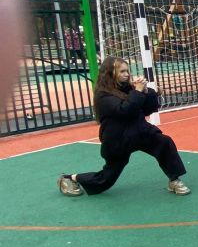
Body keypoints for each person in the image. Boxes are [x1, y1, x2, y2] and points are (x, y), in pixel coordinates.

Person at [58, 56, 190, 196]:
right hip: (118, 140)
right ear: (110, 73)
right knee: (105, 179)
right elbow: (125, 110)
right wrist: (138, 92)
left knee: (164, 142)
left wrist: (148, 92)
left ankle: (174, 180)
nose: (127, 74)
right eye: (122, 71)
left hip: (140, 132)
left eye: (127, 70)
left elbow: (147, 110)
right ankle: (69, 178)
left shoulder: (129, 88)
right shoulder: (102, 95)